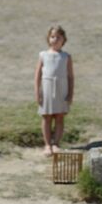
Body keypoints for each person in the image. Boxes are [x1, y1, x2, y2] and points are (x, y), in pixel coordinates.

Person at [34, 26, 74, 156]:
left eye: (58, 37)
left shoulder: (66, 56)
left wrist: (70, 94)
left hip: (61, 88)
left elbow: (70, 77)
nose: (55, 39)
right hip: (47, 88)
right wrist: (37, 93)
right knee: (46, 117)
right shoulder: (43, 55)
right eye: (52, 37)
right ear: (48, 39)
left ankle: (56, 143)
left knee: (59, 116)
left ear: (64, 40)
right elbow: (37, 75)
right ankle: (47, 144)